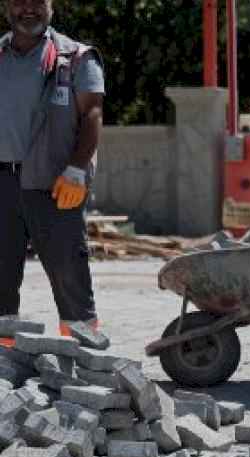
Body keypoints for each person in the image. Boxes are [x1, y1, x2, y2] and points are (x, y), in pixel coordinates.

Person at [0, 0, 109, 349]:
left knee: (68, 273)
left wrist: (77, 169)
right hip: (2, 182)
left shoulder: (75, 57)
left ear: (51, 6)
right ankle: (5, 360)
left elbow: (92, 113)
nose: (27, 9)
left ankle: (84, 355)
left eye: (37, 1)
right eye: (19, 1)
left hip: (55, 183)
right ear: (6, 7)